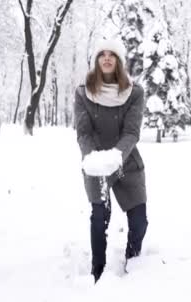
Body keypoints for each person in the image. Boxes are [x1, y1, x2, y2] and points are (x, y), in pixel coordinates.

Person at [74, 38, 148, 283]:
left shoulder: (134, 93)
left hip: (125, 160)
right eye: (102, 54)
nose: (106, 58)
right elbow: (84, 133)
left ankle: (134, 260)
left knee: (139, 219)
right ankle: (98, 269)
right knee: (98, 217)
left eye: (112, 54)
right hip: (95, 163)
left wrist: (116, 156)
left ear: (118, 61)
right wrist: (92, 158)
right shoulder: (83, 93)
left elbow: (132, 132)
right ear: (96, 61)